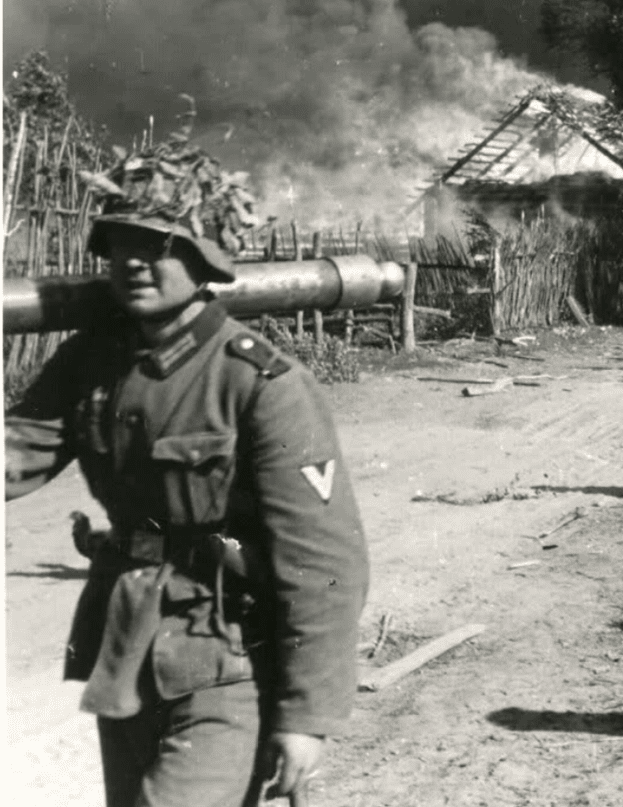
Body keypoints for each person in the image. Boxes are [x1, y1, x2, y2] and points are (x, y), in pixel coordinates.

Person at [5, 144, 370, 807]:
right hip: (128, 651)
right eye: (120, 244)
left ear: (204, 260)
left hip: (229, 659)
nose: (133, 262)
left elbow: (323, 562)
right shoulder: (90, 360)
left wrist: (307, 715)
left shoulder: (258, 382)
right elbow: (15, 454)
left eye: (158, 246)